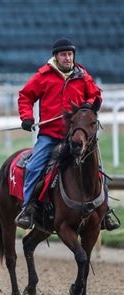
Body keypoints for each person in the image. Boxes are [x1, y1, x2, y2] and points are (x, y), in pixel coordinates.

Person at [15, 37, 120, 231]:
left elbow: (96, 95)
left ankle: (105, 212)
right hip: (50, 135)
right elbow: (25, 96)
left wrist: (86, 107)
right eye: (63, 54)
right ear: (55, 56)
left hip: (77, 136)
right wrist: (26, 117)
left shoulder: (83, 76)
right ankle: (27, 208)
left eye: (70, 54)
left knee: (98, 168)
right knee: (33, 167)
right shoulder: (43, 76)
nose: (67, 58)